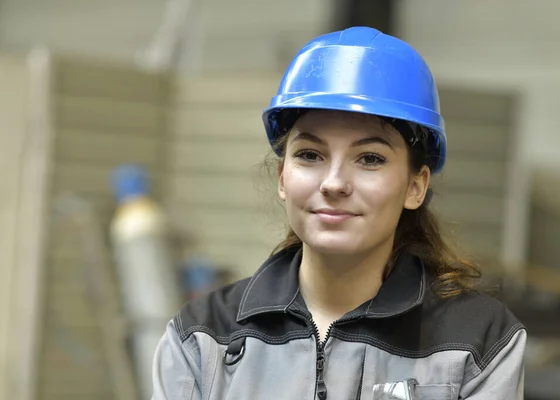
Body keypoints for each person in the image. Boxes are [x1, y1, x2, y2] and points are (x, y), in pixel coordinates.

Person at [151, 26, 526, 400]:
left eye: (369, 159)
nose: (333, 183)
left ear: (416, 186)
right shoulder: (202, 336)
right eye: (310, 155)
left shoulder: (480, 342)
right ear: (282, 177)